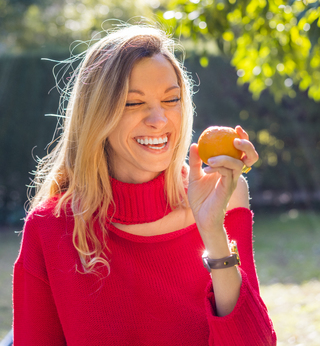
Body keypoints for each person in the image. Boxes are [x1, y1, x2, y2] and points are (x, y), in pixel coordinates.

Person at [13, 25, 277, 345]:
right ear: (97, 115)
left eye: (171, 99)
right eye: (132, 103)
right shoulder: (50, 226)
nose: (158, 119)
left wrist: (213, 232)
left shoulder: (224, 196)